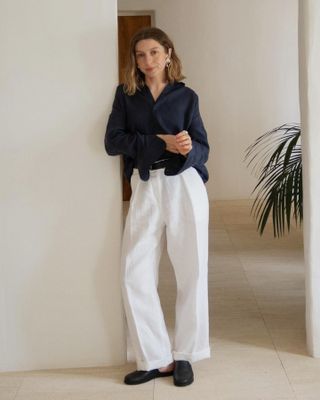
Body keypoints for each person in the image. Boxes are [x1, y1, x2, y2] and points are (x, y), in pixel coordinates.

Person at [105, 27, 210, 387]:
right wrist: (158, 142)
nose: (146, 61)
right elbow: (113, 141)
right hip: (146, 184)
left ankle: (185, 355)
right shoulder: (126, 95)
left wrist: (186, 149)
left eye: (153, 53)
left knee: (191, 270)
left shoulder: (187, 97)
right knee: (133, 271)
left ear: (168, 54)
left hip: (184, 185)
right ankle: (155, 357)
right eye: (139, 55)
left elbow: (203, 148)